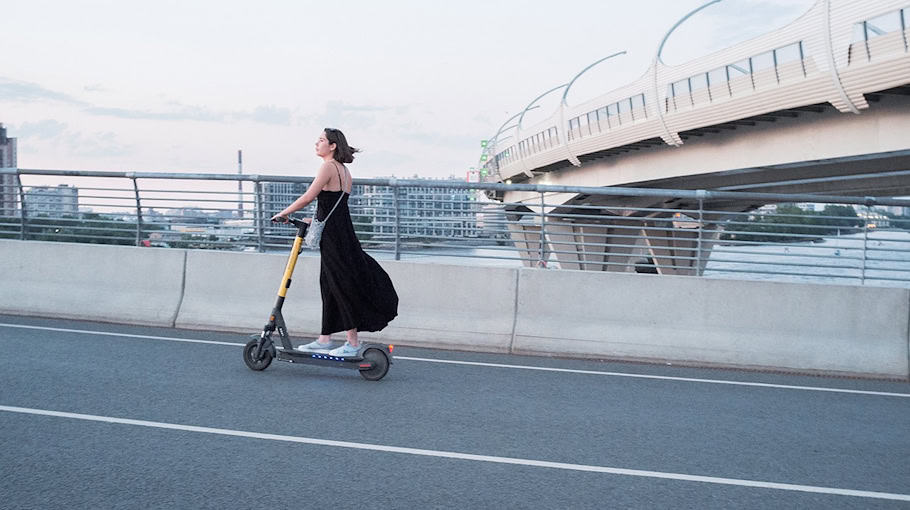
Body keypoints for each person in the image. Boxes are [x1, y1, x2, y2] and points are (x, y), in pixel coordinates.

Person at [271, 128, 398, 357]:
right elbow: (333, 209)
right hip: (342, 231)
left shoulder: (328, 167)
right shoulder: (345, 171)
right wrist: (309, 219)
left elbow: (309, 197)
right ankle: (324, 338)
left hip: (333, 237)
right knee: (328, 284)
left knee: (339, 285)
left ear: (332, 146)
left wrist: (283, 212)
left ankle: (352, 343)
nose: (316, 143)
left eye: (321, 140)